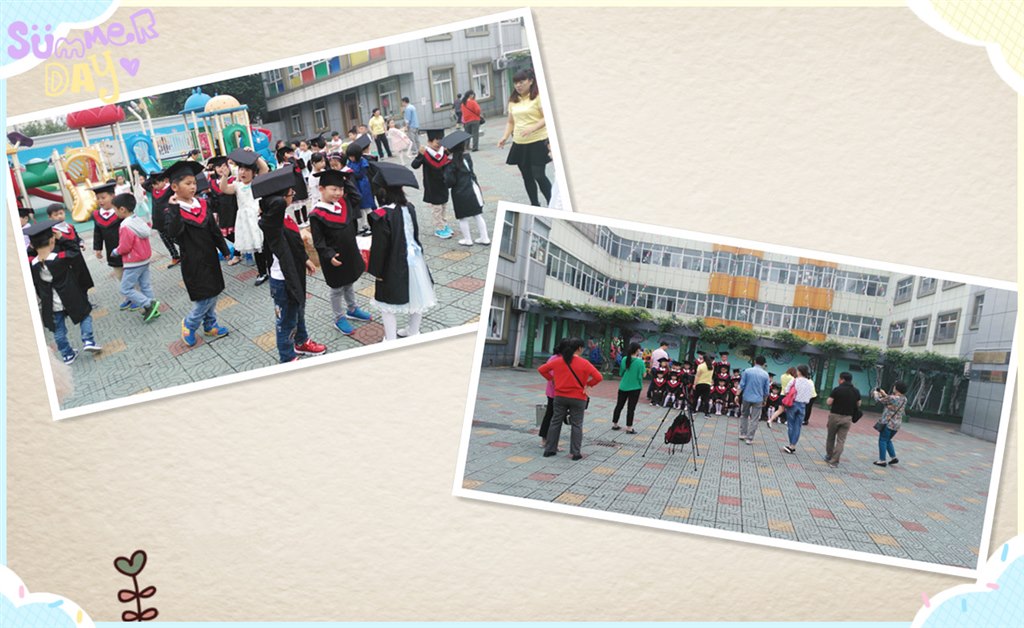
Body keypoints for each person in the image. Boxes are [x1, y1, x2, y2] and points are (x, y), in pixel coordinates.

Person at [253, 168, 327, 363]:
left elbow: (294, 242)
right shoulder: (271, 223)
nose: (293, 196)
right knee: (285, 320)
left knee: (298, 310)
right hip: (282, 279)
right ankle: (287, 357)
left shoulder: (284, 217)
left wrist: (305, 259)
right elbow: (276, 205)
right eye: (290, 193)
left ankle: (301, 341)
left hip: (294, 272)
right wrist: (276, 196)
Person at [166, 160, 232, 347]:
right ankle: (190, 323)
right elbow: (173, 233)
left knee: (214, 290)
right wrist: (174, 209)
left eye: (194, 183)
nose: (193, 186)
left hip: (210, 256)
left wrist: (224, 249)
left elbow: (214, 230)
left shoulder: (202, 204)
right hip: (192, 260)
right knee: (205, 295)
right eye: (187, 183)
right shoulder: (173, 209)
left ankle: (210, 325)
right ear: (174, 187)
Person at [367, 162, 435, 341]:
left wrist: (377, 271)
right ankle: (413, 331)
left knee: (386, 304)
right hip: (416, 259)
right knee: (418, 295)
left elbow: (380, 247)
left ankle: (391, 340)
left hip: (392, 264)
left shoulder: (382, 215)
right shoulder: (409, 207)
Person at [26, 220, 102, 364]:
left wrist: (32, 246)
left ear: (32, 245)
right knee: (84, 315)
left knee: (58, 329)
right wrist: (61, 238)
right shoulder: (60, 258)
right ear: (52, 241)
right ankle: (88, 340)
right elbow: (75, 250)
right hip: (70, 295)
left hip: (51, 302)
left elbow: (30, 253)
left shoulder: (31, 263)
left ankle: (67, 354)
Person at [309, 168, 372, 336]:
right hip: (334, 257)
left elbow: (357, 197)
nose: (338, 193)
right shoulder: (317, 214)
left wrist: (346, 181)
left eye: (341, 189)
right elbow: (318, 241)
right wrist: (329, 255)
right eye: (334, 189)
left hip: (349, 252)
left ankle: (352, 309)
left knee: (349, 281)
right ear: (321, 189)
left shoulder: (343, 204)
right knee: (337, 289)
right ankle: (338, 317)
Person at [537, 338, 603, 461]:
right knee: (577, 424)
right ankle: (575, 453)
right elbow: (598, 377)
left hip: (560, 396)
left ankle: (550, 449)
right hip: (578, 397)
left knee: (555, 422)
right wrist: (588, 385)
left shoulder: (558, 361)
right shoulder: (584, 363)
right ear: (580, 348)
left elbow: (541, 369)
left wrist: (552, 379)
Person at [497, 68, 551, 206]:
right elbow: (511, 122)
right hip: (520, 143)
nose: (518, 85)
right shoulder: (513, 100)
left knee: (539, 175)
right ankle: (535, 205)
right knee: (527, 177)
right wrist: (505, 137)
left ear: (531, 81)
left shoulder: (538, 97)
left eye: (521, 82)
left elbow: (547, 117)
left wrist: (533, 128)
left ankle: (552, 204)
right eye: (516, 83)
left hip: (538, 141)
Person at [109, 193, 161, 323]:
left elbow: (125, 246)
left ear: (122, 209)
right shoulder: (137, 219)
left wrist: (116, 251)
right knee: (145, 285)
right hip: (145, 259)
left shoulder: (125, 225)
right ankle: (153, 308)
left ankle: (148, 304)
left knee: (125, 288)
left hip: (133, 262)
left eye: (115, 209)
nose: (115, 212)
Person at [226, 149, 269, 285]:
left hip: (258, 217)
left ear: (254, 172)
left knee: (266, 245)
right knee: (256, 247)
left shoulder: (256, 182)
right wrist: (224, 176)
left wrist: (254, 155)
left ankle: (272, 269)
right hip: (246, 221)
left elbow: (265, 168)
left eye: (247, 170)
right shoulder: (237, 185)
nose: (243, 172)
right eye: (241, 169)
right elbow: (224, 188)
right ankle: (262, 272)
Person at [442, 130, 490, 246]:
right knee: (477, 215)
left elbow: (449, 181)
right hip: (473, 188)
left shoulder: (450, 163)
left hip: (460, 192)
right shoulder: (467, 157)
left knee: (462, 217)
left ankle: (468, 240)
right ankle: (485, 238)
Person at [411, 128, 453, 239]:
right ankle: (439, 228)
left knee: (444, 206)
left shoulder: (444, 151)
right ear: (429, 141)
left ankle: (444, 224)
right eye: (436, 143)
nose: (439, 145)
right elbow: (414, 165)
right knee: (437, 208)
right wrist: (420, 155)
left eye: (441, 143)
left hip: (443, 184)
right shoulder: (425, 153)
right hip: (432, 186)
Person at [47, 203, 94, 293]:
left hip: (78, 258)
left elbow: (77, 238)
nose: (59, 216)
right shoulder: (53, 232)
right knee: (73, 282)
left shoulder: (70, 227)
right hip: (66, 260)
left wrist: (81, 243)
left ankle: (85, 296)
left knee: (83, 279)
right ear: (50, 217)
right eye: (56, 215)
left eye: (61, 213)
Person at [90, 181, 125, 291]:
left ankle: (137, 295)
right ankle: (129, 294)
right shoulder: (97, 215)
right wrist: (98, 248)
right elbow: (97, 232)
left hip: (126, 248)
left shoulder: (121, 211)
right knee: (120, 275)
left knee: (132, 274)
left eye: (103, 197)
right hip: (112, 250)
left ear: (113, 196)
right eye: (98, 198)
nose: (100, 201)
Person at [824, 372, 861, 467]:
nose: (838, 380)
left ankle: (829, 455)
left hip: (835, 416)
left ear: (842, 379)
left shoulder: (837, 389)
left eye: (839, 378)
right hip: (847, 418)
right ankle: (834, 461)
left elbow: (829, 402)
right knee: (841, 440)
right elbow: (859, 404)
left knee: (831, 437)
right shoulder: (856, 391)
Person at [145, 171, 180, 268]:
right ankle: (175, 256)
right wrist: (152, 176)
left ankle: (187, 251)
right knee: (166, 240)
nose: (155, 186)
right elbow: (145, 184)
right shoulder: (153, 190)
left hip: (168, 219)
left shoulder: (169, 189)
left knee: (175, 238)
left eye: (157, 184)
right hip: (158, 220)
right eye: (153, 184)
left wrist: (165, 177)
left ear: (164, 181)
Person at [781, 364, 816, 455]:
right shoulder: (810, 382)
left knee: (791, 425)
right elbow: (811, 395)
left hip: (793, 404)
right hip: (803, 405)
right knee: (798, 426)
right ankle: (793, 445)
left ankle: (791, 445)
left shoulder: (794, 380)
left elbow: (786, 391)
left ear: (799, 372)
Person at [613, 341, 646, 433]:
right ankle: (629, 427)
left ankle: (615, 424)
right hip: (635, 387)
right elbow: (643, 375)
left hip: (623, 386)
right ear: (637, 350)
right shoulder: (640, 362)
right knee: (631, 408)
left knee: (619, 405)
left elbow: (621, 372)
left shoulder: (624, 359)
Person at [538, 340, 566, 449]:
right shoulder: (556, 359)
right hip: (555, 392)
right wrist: (554, 380)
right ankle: (548, 441)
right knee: (553, 417)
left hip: (554, 392)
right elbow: (552, 374)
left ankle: (546, 440)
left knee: (550, 415)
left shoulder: (556, 358)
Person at [346, 137, 378, 234]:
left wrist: (351, 173)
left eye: (352, 156)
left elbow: (361, 174)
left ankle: (373, 225)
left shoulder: (363, 161)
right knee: (360, 208)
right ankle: (363, 226)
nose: (351, 158)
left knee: (367, 207)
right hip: (355, 185)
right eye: (349, 157)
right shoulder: (350, 162)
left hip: (363, 185)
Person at [738, 355, 771, 444]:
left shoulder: (747, 371)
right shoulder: (765, 374)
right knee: (754, 418)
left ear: (755, 361)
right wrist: (765, 399)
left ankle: (743, 433)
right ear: (764, 364)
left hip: (746, 396)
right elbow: (766, 390)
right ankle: (749, 438)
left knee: (744, 415)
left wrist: (737, 395)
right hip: (758, 398)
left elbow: (742, 385)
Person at [873, 381, 908, 467]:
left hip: (888, 423)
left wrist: (876, 394)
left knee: (882, 440)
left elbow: (879, 401)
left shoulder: (892, 398)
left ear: (896, 388)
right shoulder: (904, 399)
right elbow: (891, 400)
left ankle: (882, 460)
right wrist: (884, 394)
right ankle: (893, 457)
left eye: (894, 386)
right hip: (897, 424)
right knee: (888, 440)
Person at [693, 352, 713, 416]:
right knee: (706, 399)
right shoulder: (711, 367)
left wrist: (694, 384)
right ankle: (706, 413)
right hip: (707, 384)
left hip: (699, 383)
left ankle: (694, 411)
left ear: (703, 359)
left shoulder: (700, 366)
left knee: (696, 398)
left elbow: (697, 376)